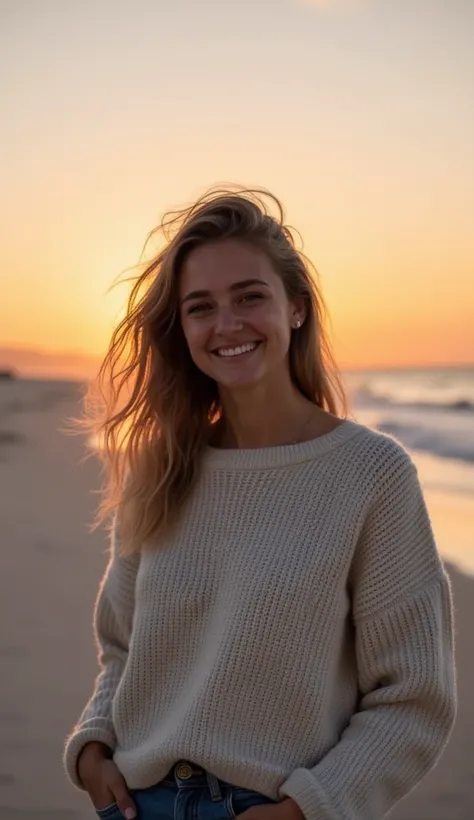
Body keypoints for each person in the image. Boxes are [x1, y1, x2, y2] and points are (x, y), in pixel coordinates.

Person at [63, 186, 456, 820]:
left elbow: (414, 698)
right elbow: (124, 650)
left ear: (295, 309)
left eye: (250, 296)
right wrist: (91, 747)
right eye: (201, 307)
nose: (227, 325)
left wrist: (309, 809)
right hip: (137, 802)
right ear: (182, 328)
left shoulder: (371, 475)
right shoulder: (158, 468)